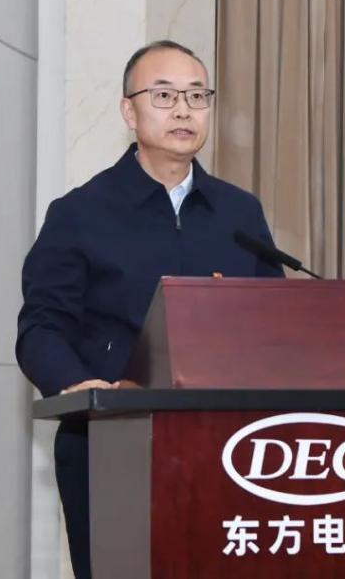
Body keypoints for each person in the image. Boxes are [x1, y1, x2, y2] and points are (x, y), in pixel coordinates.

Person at [15, 40, 284, 578]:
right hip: (112, 440)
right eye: (164, 95)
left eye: (197, 96)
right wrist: (79, 386)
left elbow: (273, 323)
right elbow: (42, 327)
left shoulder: (239, 213)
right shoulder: (80, 213)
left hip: (230, 445)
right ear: (129, 111)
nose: (184, 110)